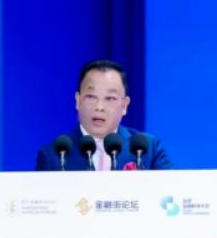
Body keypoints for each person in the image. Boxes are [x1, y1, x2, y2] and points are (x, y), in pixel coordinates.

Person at [35, 60, 175, 171]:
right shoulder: (53, 155)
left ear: (124, 106)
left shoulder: (148, 148)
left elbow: (175, 190)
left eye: (110, 98)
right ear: (78, 101)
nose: (99, 107)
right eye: (91, 97)